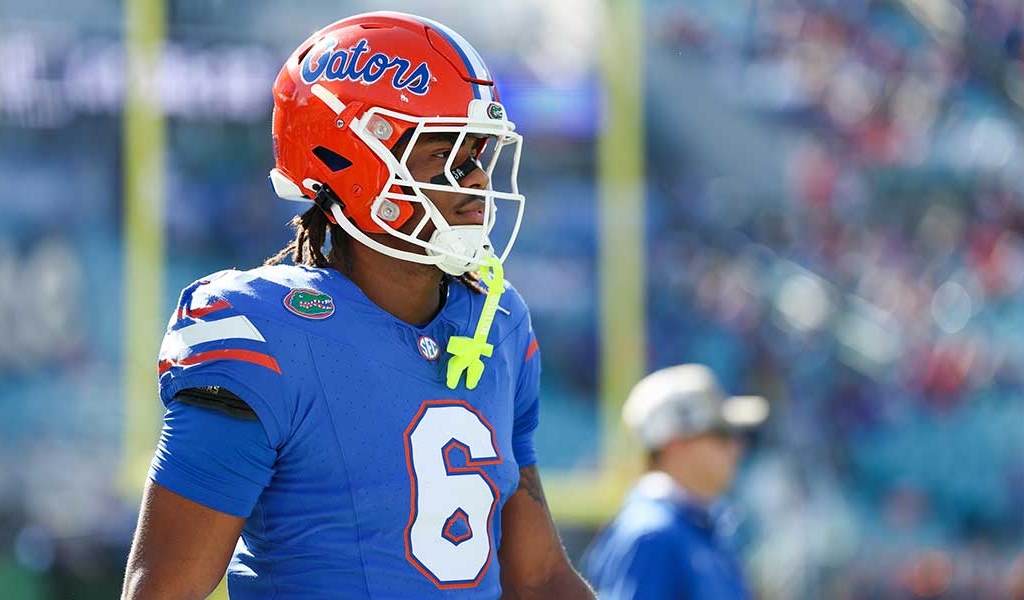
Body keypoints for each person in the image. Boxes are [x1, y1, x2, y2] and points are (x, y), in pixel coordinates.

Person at [122, 12, 593, 599]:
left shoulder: (496, 322)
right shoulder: (261, 331)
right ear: (352, 162)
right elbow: (165, 592)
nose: (475, 182)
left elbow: (541, 577)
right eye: (445, 156)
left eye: (477, 156)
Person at [581, 364, 767, 600]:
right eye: (722, 434)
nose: (736, 449)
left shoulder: (703, 528)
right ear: (675, 443)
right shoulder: (650, 536)